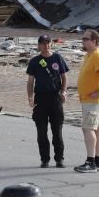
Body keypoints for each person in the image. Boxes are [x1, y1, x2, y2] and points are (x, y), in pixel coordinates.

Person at [25, 34, 69, 168]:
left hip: (55, 98)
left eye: (48, 43)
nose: (46, 45)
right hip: (41, 99)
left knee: (57, 131)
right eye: (43, 43)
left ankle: (59, 159)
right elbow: (30, 81)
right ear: (39, 45)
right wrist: (30, 97)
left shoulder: (57, 58)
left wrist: (64, 91)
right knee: (42, 132)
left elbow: (64, 76)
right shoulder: (34, 61)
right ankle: (44, 159)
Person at [74, 29, 99, 173]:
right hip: (91, 99)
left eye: (86, 39)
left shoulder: (97, 55)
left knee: (88, 128)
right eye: (83, 39)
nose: (83, 41)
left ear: (94, 41)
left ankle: (91, 162)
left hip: (94, 99)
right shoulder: (89, 55)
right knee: (98, 128)